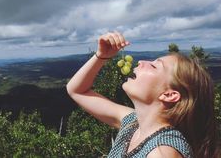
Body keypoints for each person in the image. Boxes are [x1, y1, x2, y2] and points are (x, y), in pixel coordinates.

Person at [66, 32, 218, 157]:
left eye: (154, 66)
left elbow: (77, 91)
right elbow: (77, 90)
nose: (140, 62)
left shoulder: (162, 152)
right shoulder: (132, 123)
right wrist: (101, 56)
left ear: (169, 94)